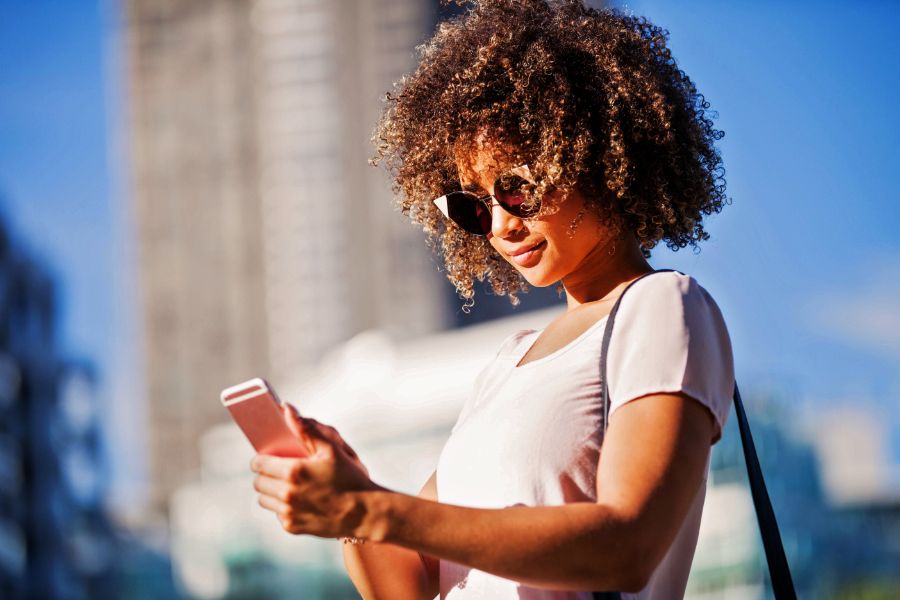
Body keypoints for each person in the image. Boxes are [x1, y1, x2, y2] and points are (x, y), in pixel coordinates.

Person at [248, 1, 734, 598]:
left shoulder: (662, 307)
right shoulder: (509, 361)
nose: (501, 225)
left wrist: (374, 509)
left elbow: (626, 546)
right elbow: (412, 585)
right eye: (474, 205)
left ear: (602, 159)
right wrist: (351, 506)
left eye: (518, 187)